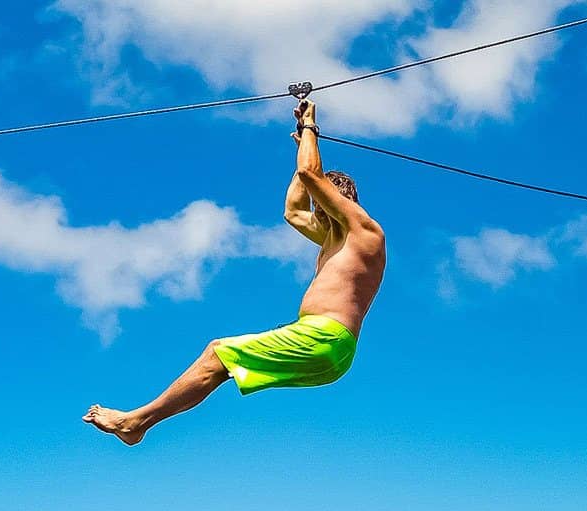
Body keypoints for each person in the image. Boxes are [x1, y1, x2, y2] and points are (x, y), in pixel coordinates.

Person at [84, 97, 386, 445]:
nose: (317, 212)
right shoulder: (333, 237)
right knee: (220, 365)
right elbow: (292, 210)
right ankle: (139, 424)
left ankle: (135, 423)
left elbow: (310, 174)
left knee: (217, 351)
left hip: (324, 338)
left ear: (341, 202)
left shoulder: (366, 233)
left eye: (324, 203)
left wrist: (310, 129)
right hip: (328, 353)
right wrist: (303, 144)